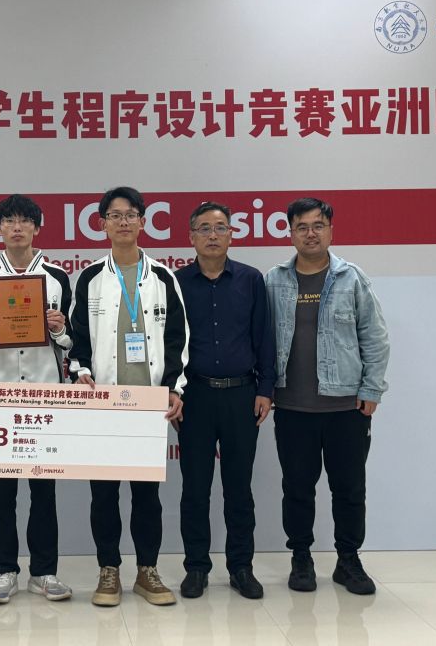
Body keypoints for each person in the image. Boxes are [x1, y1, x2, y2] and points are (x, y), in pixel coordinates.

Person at [265, 197, 390, 596]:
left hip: (346, 407)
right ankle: (301, 558)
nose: (310, 233)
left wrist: (371, 389)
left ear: (331, 230)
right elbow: (261, 340)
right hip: (292, 407)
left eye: (318, 225)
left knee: (349, 489)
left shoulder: (351, 278)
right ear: (290, 233)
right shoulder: (274, 281)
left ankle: (348, 560)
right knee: (297, 488)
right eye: (302, 227)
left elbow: (375, 337)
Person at [69, 186, 188, 607]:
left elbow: (177, 338)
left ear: (142, 222)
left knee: (146, 496)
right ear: (102, 224)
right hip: (103, 403)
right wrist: (81, 372)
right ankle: (109, 570)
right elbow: (78, 338)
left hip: (147, 405)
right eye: (115, 215)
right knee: (103, 495)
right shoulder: (89, 278)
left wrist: (173, 388)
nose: (123, 222)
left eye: (130, 214)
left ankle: (147, 570)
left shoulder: (163, 277)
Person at [0, 194, 75, 605]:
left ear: (37, 227)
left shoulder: (58, 278)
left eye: (24, 220)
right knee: (3, 489)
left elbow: (74, 337)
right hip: (1, 395)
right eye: (8, 221)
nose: (16, 227)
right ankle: (4, 571)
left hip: (46, 393)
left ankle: (44, 572)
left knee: (44, 488)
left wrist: (60, 329)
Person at [175, 202, 276, 600]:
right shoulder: (177, 283)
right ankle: (196, 567)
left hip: (242, 395)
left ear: (232, 234)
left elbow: (264, 337)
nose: (213, 235)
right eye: (204, 228)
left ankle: (241, 567)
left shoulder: (250, 280)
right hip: (195, 396)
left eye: (220, 228)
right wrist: (173, 392)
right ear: (191, 237)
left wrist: (266, 389)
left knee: (239, 489)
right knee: (195, 489)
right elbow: (169, 343)